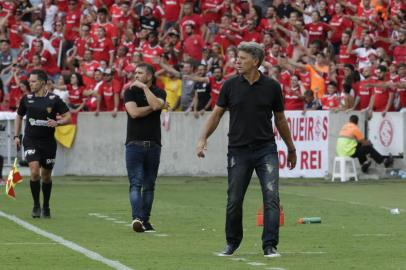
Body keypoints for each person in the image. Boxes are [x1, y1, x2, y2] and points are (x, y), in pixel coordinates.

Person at [196, 42, 297, 258]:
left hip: (266, 150)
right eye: (237, 57)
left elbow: (280, 120)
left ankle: (270, 245)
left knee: (271, 197)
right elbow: (216, 115)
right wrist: (203, 138)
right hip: (238, 151)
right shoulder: (230, 86)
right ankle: (232, 243)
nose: (237, 61)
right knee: (234, 199)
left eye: (242, 58)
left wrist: (291, 148)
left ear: (255, 61)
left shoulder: (272, 87)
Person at [14, 69, 71, 218]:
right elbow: (19, 116)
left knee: (46, 176)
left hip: (48, 143)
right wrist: (16, 136)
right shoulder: (26, 98)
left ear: (42, 83)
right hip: (31, 140)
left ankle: (46, 205)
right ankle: (36, 206)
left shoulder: (54, 99)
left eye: (33, 81)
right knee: (34, 172)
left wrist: (57, 122)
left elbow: (68, 117)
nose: (30, 84)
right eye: (30, 81)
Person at [124, 63, 166, 233]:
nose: (136, 76)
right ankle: (137, 218)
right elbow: (134, 113)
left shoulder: (159, 92)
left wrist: (144, 88)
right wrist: (156, 106)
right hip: (134, 144)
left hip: (154, 145)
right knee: (136, 183)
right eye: (135, 73)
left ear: (149, 76)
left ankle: (145, 220)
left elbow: (157, 105)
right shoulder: (129, 92)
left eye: (140, 73)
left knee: (150, 185)